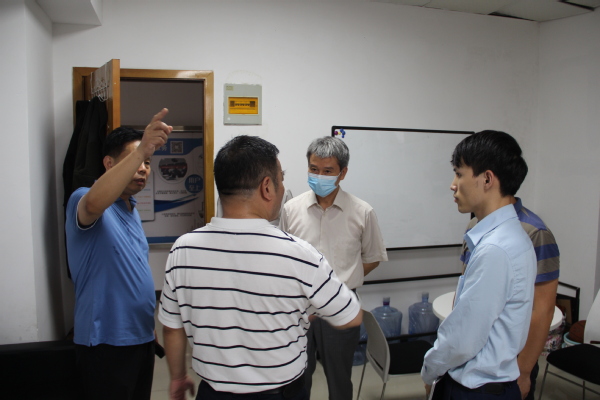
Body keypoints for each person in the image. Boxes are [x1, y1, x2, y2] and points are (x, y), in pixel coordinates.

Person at [158, 135, 363, 400]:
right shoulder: (300, 254)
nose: (283, 187)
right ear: (267, 187)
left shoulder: (183, 249)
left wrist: (177, 377)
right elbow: (350, 316)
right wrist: (304, 309)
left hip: (212, 392)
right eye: (281, 179)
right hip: (280, 393)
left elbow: (171, 327)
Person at [65, 109, 173, 399]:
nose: (143, 168)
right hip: (105, 343)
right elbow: (93, 204)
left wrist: (147, 328)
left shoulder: (131, 208)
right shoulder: (84, 198)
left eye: (147, 162)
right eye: (135, 160)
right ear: (109, 164)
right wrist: (142, 150)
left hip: (141, 337)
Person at [421, 130, 537, 399]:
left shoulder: (496, 248)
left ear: (487, 179)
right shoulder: (512, 236)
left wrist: (430, 371)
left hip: (475, 390)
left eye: (459, 174)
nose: (453, 185)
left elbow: (462, 339)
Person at [279, 136, 388, 400]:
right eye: (314, 169)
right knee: (296, 380)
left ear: (343, 173)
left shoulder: (362, 212)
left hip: (341, 308)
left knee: (340, 380)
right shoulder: (291, 210)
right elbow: (283, 258)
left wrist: (340, 282)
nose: (319, 176)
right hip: (299, 309)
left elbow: (372, 257)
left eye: (328, 171)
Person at [460, 199, 560, 400]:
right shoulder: (475, 224)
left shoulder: (535, 231)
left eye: (460, 180)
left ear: (488, 182)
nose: (454, 186)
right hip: (473, 357)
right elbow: (464, 286)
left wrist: (523, 371)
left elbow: (542, 310)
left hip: (509, 362)